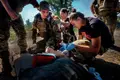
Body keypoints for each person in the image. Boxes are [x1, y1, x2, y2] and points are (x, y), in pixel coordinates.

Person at [0, 0, 39, 77]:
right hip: (2, 13)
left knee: (22, 33)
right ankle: (6, 67)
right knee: (2, 39)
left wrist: (41, 8)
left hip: (15, 13)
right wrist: (10, 11)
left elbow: (36, 4)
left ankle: (23, 53)